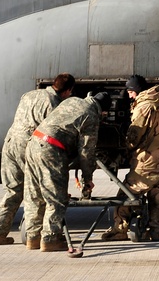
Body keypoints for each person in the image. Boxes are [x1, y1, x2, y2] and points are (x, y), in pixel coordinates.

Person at [0, 73, 76, 246]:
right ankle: (35, 235)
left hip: (10, 143)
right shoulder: (55, 105)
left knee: (13, 190)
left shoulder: (29, 94)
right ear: (68, 91)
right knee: (37, 191)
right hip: (27, 146)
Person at [23, 91, 111, 252]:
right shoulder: (91, 115)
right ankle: (50, 239)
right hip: (50, 148)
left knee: (34, 194)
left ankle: (33, 237)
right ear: (103, 111)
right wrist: (87, 178)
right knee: (56, 197)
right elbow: (86, 152)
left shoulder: (72, 100)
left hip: (33, 142)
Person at [101, 75, 159, 241]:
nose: (129, 96)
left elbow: (134, 136)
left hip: (151, 160)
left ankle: (119, 229)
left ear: (136, 90)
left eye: (130, 92)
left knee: (127, 193)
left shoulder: (144, 106)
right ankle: (156, 230)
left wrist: (126, 146)